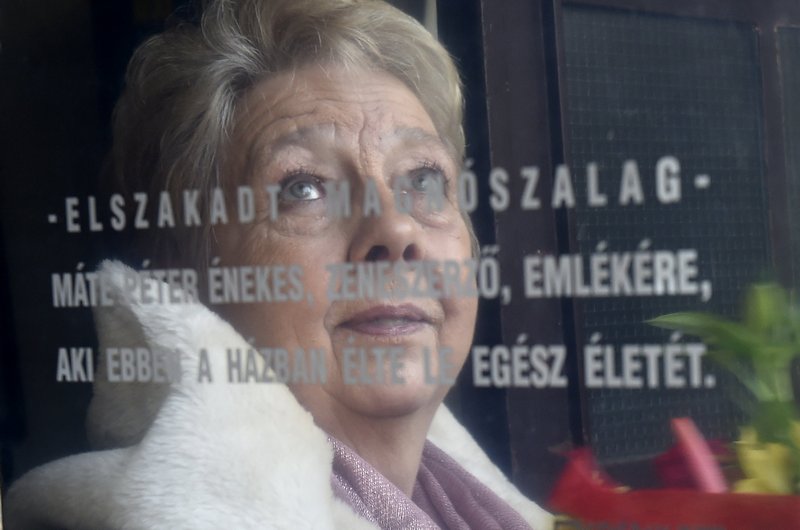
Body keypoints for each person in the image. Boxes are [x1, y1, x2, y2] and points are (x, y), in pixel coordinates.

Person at [4, 0, 553, 528]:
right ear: (182, 278)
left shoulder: (471, 506)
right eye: (303, 187)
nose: (396, 229)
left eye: (425, 180)